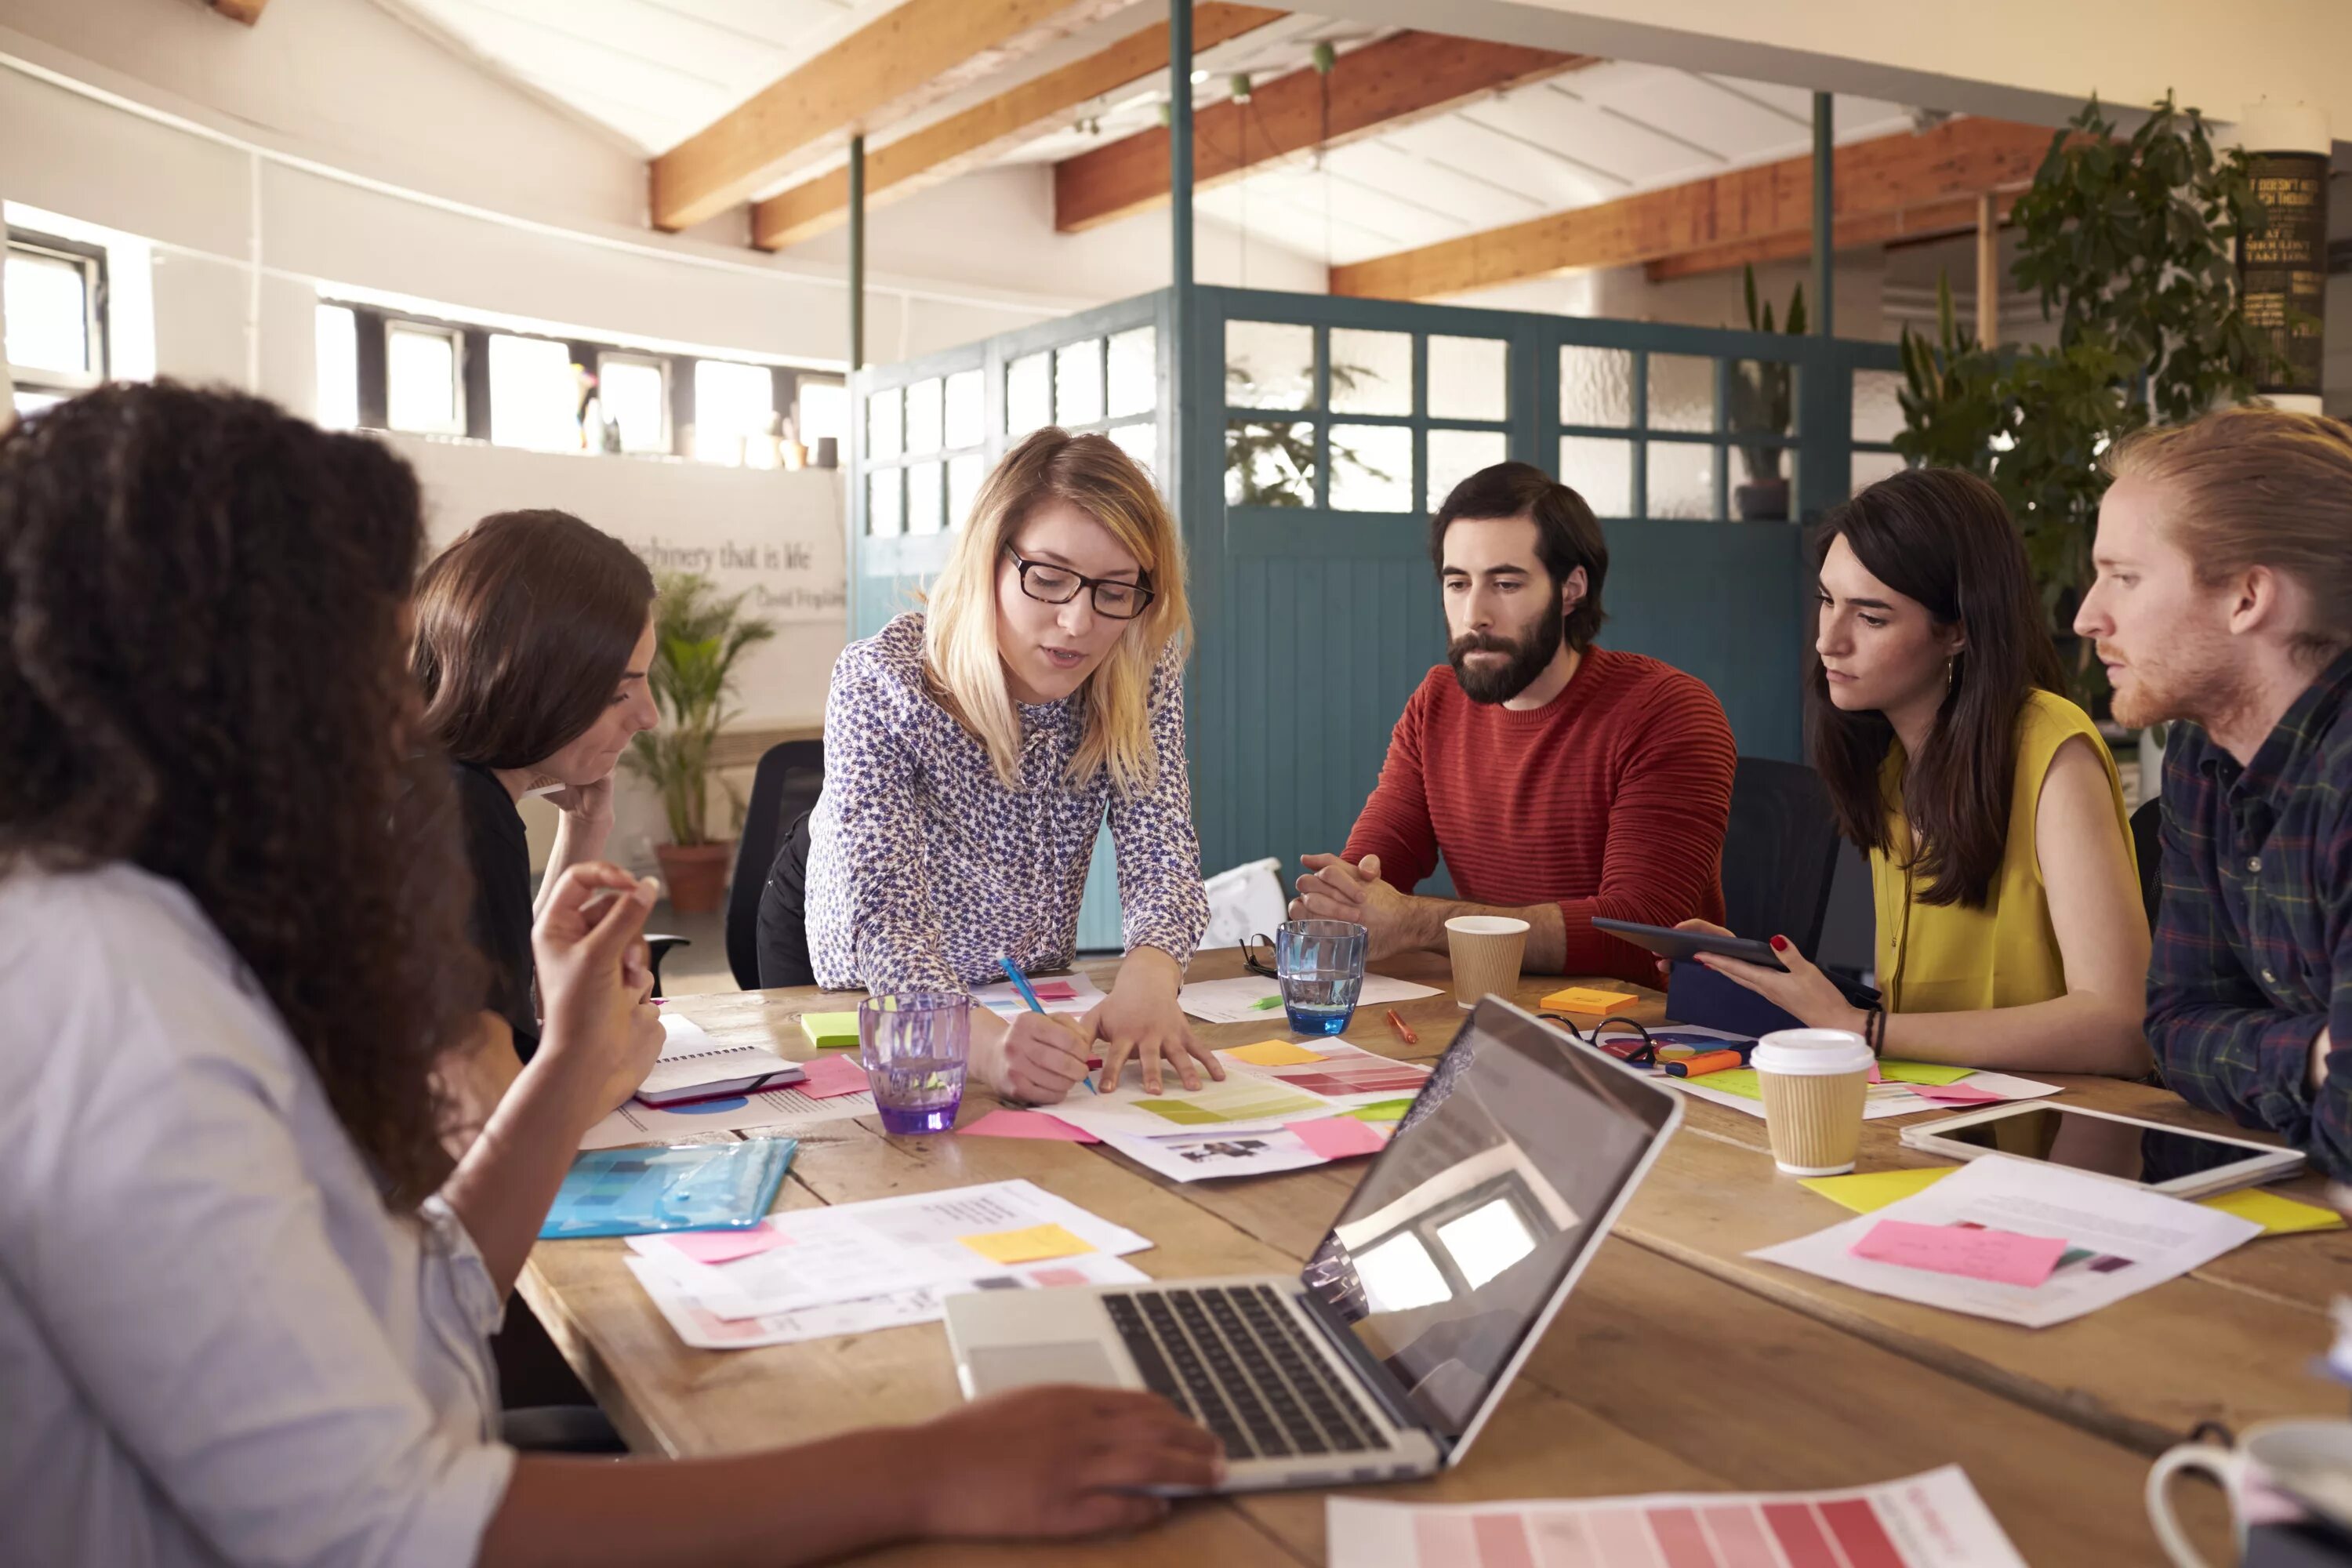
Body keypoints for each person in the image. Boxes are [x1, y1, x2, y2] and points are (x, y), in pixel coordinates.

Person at [0, 383, 1222, 1566]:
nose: (403, 714)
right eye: (370, 664)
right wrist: (926, 1466)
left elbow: (421, 1301)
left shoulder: (173, 934)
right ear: (216, 688)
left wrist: (572, 1066)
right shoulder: (108, 1011)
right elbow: (387, 1527)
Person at [1687, 466, 2150, 1073]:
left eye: (1871, 618)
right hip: (1922, 1112)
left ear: (1957, 631)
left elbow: (2121, 1027)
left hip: (2036, 1138)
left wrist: (1861, 1028)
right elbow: (1911, 1016)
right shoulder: (1888, 760)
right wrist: (1775, 981)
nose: (1830, 641)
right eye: (1828, 601)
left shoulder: (2049, 748)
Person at [801, 426, 1217, 1101]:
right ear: (988, 561)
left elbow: (1162, 847)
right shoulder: (881, 679)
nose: (1078, 622)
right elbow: (887, 921)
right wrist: (987, 1051)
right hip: (867, 987)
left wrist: (1150, 972)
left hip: (1026, 983)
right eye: (1049, 579)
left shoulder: (1136, 664)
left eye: (1115, 590)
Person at [1287, 461, 1736, 987]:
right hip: (1490, 1010)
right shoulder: (1437, 703)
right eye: (1457, 583)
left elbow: (1643, 932)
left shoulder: (1668, 709)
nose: (1475, 613)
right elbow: (1366, 881)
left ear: (1571, 590)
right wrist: (1342, 904)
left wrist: (1418, 921)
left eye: (1505, 583)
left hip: (1636, 1034)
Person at [2073, 405, 2352, 1175]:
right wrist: (2316, 1055)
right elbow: (2173, 1025)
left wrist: (2283, 1060)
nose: (2087, 616)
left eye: (2124, 577)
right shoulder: (2204, 750)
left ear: (2246, 597)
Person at [411, 510, 661, 1072]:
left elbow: (515, 1000)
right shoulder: (463, 815)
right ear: (530, 686)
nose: (649, 716)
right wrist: (619, 1057)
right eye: (620, 694)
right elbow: (499, 1109)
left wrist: (583, 828)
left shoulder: (433, 784)